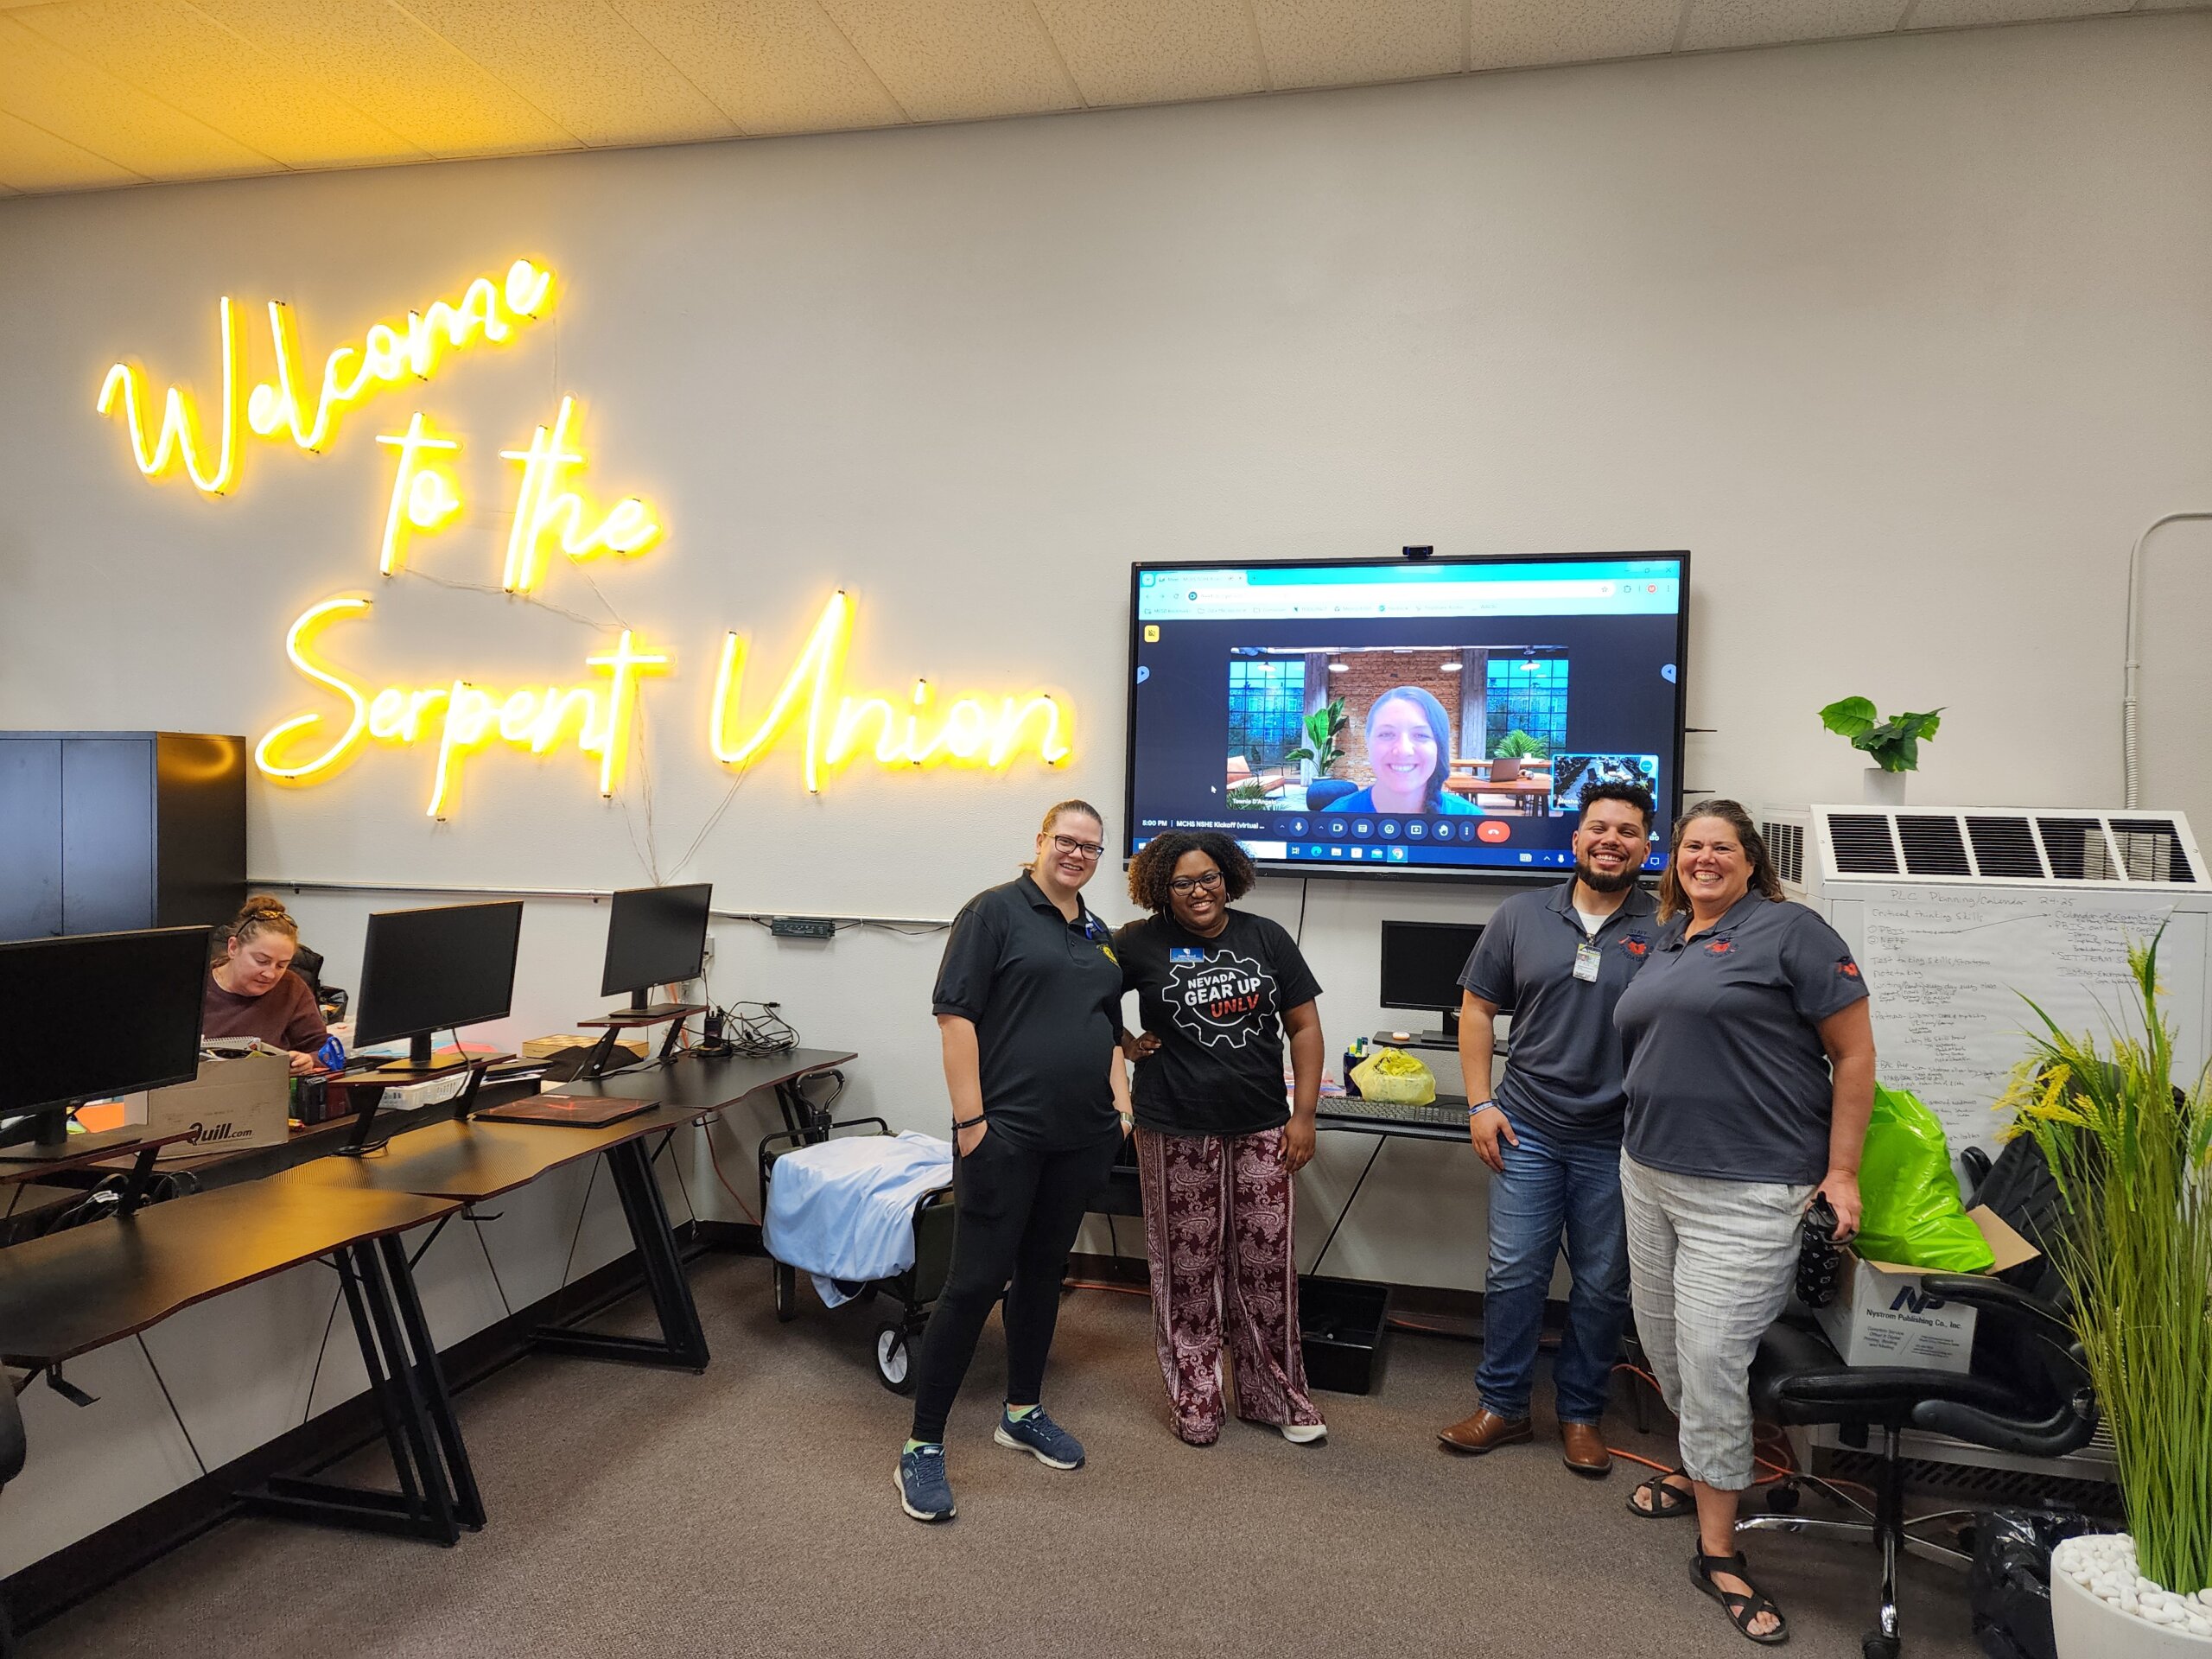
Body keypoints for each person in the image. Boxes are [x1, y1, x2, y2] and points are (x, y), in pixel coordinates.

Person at [1610, 800, 1875, 1646]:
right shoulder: (1669, 936)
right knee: (1663, 1347)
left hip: (1749, 1190)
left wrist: (1841, 1171)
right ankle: (1700, 1471)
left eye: (1721, 847)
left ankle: (1719, 1552)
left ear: (1751, 860)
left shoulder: (1792, 932)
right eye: (1691, 846)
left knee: (1712, 1361)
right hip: (1649, 1174)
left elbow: (1854, 1054)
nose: (1704, 858)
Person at [898, 800, 1134, 1524]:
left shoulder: (1097, 932)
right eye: (1067, 840)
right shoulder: (993, 912)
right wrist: (972, 1123)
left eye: (1091, 847)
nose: (1078, 854)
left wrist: (1122, 1110)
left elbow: (1110, 1029)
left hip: (1081, 1138)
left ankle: (1021, 1412)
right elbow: (955, 1017)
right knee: (973, 1285)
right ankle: (921, 1446)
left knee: (1042, 1276)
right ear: (1040, 841)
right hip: (1005, 1137)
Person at [1437, 783, 1656, 1477]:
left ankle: (1581, 1413)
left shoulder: (1670, 926)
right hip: (1526, 1127)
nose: (1611, 841)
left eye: (1627, 831)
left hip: (1618, 1139)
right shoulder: (1520, 914)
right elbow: (1477, 1010)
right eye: (1600, 828)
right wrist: (1480, 1104)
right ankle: (1502, 1406)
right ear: (1576, 839)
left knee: (1602, 1285)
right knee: (1514, 1274)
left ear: (1647, 847)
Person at [1115, 830, 1327, 1447]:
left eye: (1208, 877)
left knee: (1266, 1265)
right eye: (1182, 883)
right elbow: (1084, 1000)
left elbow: (1304, 1026)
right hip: (1173, 1126)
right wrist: (1126, 1043)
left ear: (1228, 877)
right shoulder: (1137, 942)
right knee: (1186, 1268)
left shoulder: (1266, 937)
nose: (1198, 891)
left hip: (1261, 1124)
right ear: (1161, 889)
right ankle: (1197, 1395)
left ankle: (1276, 1394)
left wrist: (1304, 1115)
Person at [201, 895, 327, 1076]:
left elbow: (323, 1049)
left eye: (281, 965)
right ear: (233, 948)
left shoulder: (290, 988)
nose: (270, 974)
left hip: (267, 1089)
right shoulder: (193, 988)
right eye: (261, 961)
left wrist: (309, 1060)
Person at [1330, 686, 1481, 816]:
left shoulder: (1471, 820)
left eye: (1420, 735)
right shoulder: (1333, 819)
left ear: (1439, 747)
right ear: (1368, 743)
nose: (1403, 750)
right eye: (1387, 734)